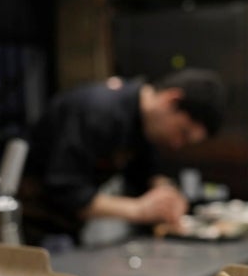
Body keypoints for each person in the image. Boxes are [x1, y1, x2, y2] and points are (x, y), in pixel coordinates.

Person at [19, 68, 225, 247]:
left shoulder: (145, 124)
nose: (177, 144)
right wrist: (140, 210)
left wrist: (165, 192)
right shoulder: (99, 110)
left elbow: (146, 173)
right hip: (32, 227)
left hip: (68, 229)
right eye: (183, 132)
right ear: (170, 100)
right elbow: (65, 189)